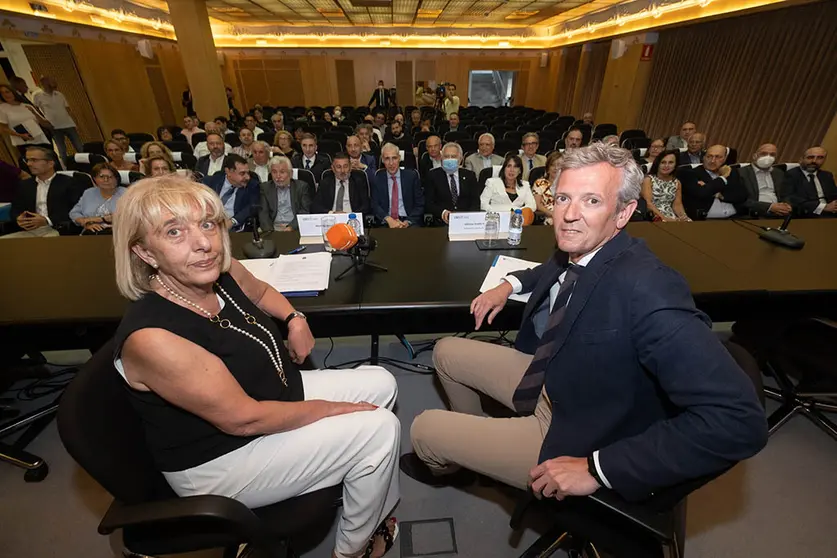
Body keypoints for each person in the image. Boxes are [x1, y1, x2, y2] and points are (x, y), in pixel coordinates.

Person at [402, 143, 767, 504]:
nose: (570, 214)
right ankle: (476, 456)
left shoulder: (651, 290)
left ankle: (451, 460)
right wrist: (508, 284)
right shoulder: (585, 247)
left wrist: (598, 468)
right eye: (563, 199)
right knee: (446, 351)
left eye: (592, 201)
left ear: (623, 213)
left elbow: (739, 421)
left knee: (423, 429)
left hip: (577, 431)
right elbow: (549, 270)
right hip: (556, 378)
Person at [111, 176, 400, 558]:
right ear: (146, 253)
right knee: (378, 429)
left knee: (384, 382)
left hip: (266, 394)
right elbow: (243, 420)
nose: (203, 244)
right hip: (221, 459)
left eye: (207, 224)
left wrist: (295, 319)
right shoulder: (153, 339)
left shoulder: (218, 273)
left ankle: (365, 492)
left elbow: (262, 292)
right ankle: (353, 550)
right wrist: (333, 411)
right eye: (174, 231)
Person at [5, 146, 81, 238]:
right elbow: (15, 209)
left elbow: (77, 210)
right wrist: (18, 218)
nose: (29, 164)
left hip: (59, 228)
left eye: (34, 160)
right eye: (27, 160)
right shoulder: (25, 185)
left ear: (50, 163)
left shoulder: (70, 183)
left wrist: (47, 220)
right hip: (30, 229)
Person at [681, 144, 746, 220]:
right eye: (709, 156)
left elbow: (742, 195)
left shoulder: (732, 172)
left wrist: (718, 195)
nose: (712, 161)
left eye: (718, 157)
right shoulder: (690, 173)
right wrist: (723, 177)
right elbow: (702, 193)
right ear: (703, 158)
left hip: (734, 217)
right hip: (706, 220)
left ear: (725, 159)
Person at [371, 143, 424, 228]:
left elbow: (420, 204)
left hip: (409, 221)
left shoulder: (411, 176)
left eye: (394, 158)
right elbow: (374, 204)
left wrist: (408, 221)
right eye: (387, 159)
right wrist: (388, 219)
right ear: (383, 160)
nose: (391, 163)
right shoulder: (378, 178)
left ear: (399, 158)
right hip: (386, 222)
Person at [425, 142, 480, 224]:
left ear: (460, 159)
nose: (450, 159)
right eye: (446, 156)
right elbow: (428, 202)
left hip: (467, 222)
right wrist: (442, 213)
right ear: (442, 158)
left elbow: (475, 201)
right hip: (441, 222)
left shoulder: (469, 175)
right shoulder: (433, 175)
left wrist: (469, 218)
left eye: (453, 156)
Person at [202, 154, 260, 231]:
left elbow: (251, 208)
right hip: (210, 222)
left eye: (248, 173)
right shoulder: (213, 181)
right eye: (242, 173)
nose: (247, 177)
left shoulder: (252, 185)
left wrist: (232, 222)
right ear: (228, 172)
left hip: (233, 227)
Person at [33, 76, 83, 163]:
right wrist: (44, 121)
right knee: (62, 150)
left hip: (68, 123)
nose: (52, 84)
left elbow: (68, 109)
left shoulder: (59, 94)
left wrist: (76, 123)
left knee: (79, 147)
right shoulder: (38, 96)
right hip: (54, 126)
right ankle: (66, 167)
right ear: (43, 84)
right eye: (49, 82)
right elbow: (36, 110)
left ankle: (85, 163)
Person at [69, 162, 126, 234]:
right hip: (91, 234)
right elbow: (74, 213)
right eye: (101, 176)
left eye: (110, 177)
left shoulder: (127, 194)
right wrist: (87, 223)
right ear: (95, 179)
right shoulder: (88, 193)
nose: (106, 180)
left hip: (119, 234)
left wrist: (93, 220)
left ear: (116, 179)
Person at [258, 155, 312, 232]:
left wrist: (291, 227)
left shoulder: (301, 187)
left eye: (282, 172)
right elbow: (263, 214)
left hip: (295, 227)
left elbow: (304, 211)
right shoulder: (265, 188)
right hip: (273, 228)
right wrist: (270, 231)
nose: (278, 176)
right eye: (274, 172)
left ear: (291, 173)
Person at [780, 146, 837, 217]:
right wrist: (823, 207)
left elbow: (834, 195)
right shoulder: (791, 174)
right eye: (810, 157)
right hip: (807, 214)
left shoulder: (826, 175)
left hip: (831, 213)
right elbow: (789, 198)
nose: (814, 161)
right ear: (801, 159)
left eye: (820, 158)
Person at [738, 143, 790, 218]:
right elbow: (741, 200)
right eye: (763, 153)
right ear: (754, 156)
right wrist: (769, 207)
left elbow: (786, 194)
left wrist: (787, 205)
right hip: (755, 214)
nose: (767, 157)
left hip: (780, 214)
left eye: (772, 155)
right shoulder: (740, 173)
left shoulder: (779, 173)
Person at [641, 150, 690, 222]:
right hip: (653, 217)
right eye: (663, 162)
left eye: (670, 162)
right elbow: (648, 204)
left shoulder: (677, 182)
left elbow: (677, 205)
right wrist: (664, 218)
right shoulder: (648, 180)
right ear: (658, 164)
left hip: (671, 217)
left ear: (675, 165)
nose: (666, 166)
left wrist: (684, 217)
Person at [0, 84, 50, 153]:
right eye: (2, 93)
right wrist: (20, 135)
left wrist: (34, 112)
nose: (5, 95)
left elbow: (44, 123)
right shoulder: (2, 108)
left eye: (7, 91)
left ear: (12, 92)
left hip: (41, 140)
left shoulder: (26, 105)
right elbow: (3, 128)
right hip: (25, 144)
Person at [532, 151, 562, 225]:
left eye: (559, 165)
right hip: (545, 217)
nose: (556, 168)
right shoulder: (539, 183)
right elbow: (538, 205)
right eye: (552, 165)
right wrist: (552, 214)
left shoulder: (567, 185)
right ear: (548, 168)